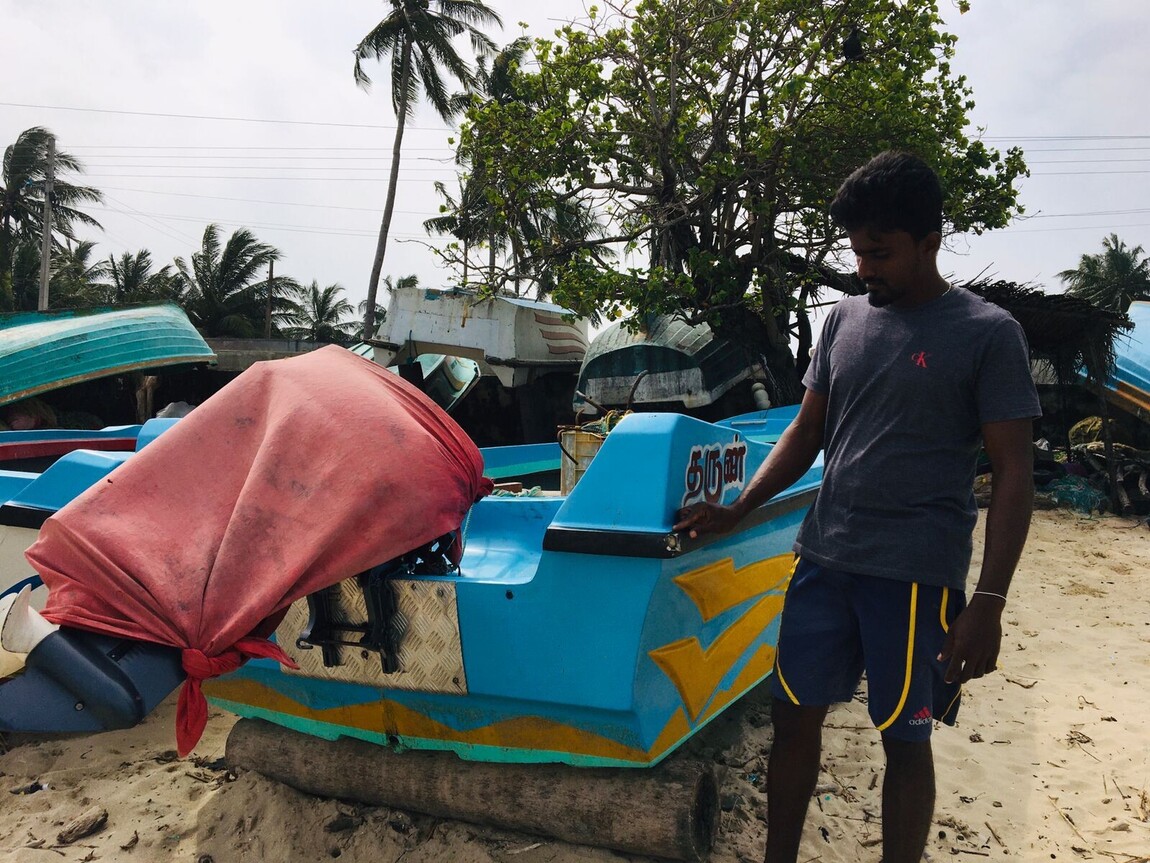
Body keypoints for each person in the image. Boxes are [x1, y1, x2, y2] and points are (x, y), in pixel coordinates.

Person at [673, 151, 1040, 863]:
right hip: (823, 558)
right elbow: (806, 432)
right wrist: (740, 507)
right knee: (792, 719)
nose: (864, 269)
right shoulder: (843, 320)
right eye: (857, 252)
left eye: (881, 253)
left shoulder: (988, 333)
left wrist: (988, 603)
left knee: (905, 735)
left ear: (930, 241)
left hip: (912, 576)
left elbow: (1015, 472)